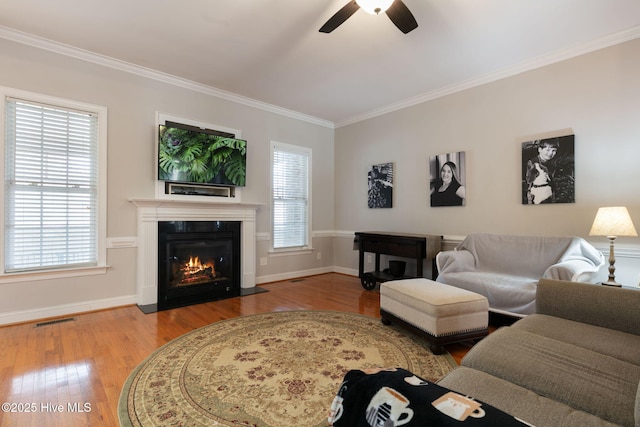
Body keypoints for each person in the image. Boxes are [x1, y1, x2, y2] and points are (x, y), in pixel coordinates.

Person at [525, 139, 558, 204]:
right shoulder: (533, 162)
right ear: (540, 150)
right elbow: (529, 180)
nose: (550, 153)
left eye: (554, 150)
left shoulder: (553, 162)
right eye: (548, 150)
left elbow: (552, 179)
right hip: (536, 192)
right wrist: (529, 195)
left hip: (549, 191)